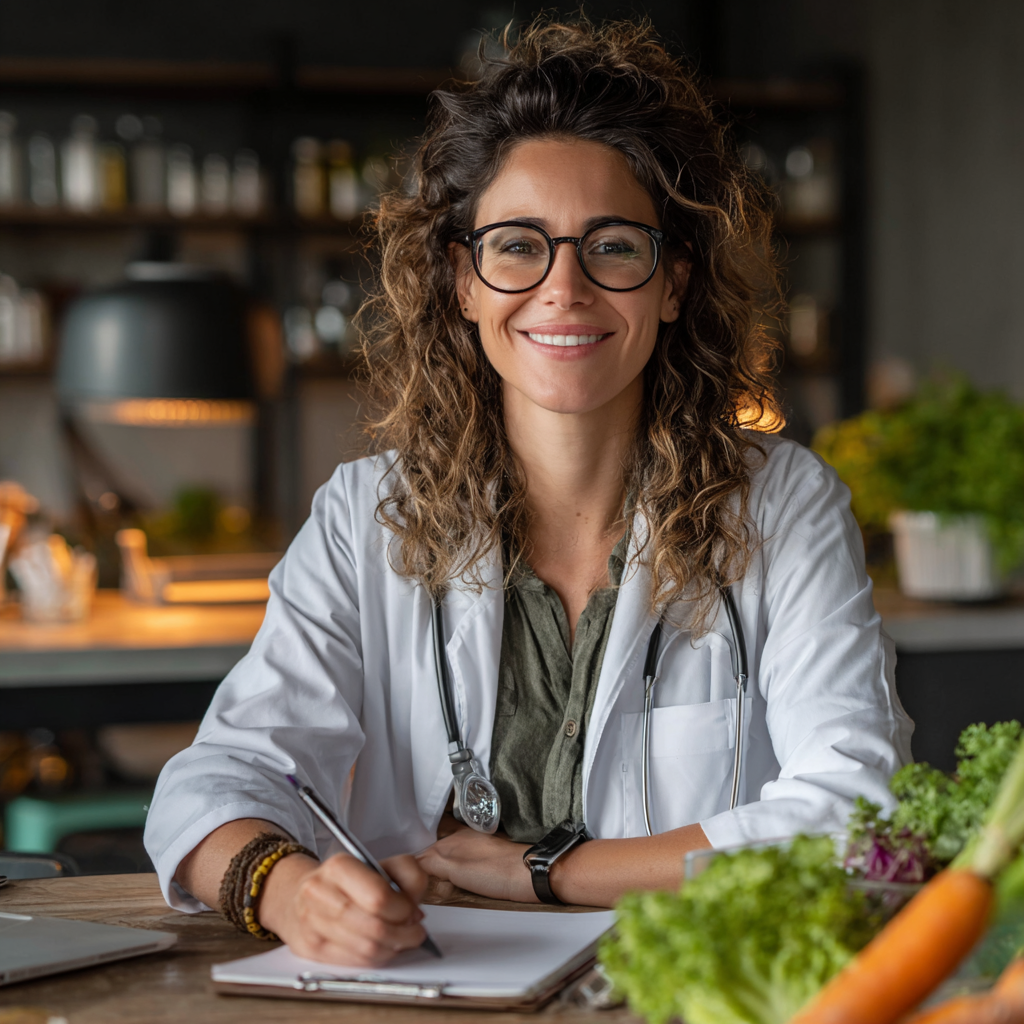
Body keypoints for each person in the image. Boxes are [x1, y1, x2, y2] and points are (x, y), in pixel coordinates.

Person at [145, 17, 912, 968]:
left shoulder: (783, 506)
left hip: (682, 989)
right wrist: (294, 894)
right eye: (517, 246)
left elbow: (861, 817)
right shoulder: (362, 517)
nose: (564, 289)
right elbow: (215, 781)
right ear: (464, 282)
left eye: (614, 248)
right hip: (424, 982)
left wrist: (549, 869)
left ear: (672, 282)